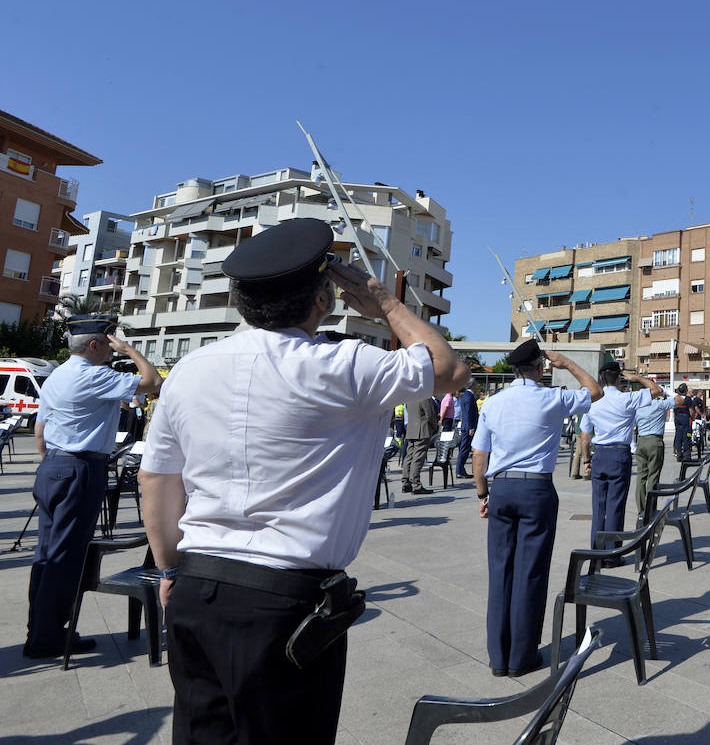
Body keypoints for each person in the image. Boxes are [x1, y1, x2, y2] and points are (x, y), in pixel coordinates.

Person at [139, 218, 467, 743]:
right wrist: (385, 303)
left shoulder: (193, 369)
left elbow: (155, 478)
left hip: (197, 588)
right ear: (322, 299)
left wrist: (169, 570)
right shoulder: (344, 364)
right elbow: (449, 370)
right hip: (283, 601)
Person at [24, 314, 160, 659]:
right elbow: (152, 381)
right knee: (67, 555)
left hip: (54, 465)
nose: (113, 351)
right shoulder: (93, 374)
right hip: (80, 467)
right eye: (110, 343)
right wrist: (131, 350)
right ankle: (49, 636)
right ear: (96, 345)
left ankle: (39, 628)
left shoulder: (57, 375)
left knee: (47, 552)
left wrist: (55, 463)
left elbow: (41, 431)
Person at [474, 340, 599, 676]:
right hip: (536, 488)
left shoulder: (493, 403)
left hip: (501, 487)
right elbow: (595, 391)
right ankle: (522, 656)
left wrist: (483, 495)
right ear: (541, 367)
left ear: (514, 369)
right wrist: (568, 364)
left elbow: (479, 455)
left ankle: (498, 658)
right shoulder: (552, 398)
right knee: (530, 573)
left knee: (500, 572)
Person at [578, 362, 664, 548]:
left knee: (598, 507)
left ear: (601, 379)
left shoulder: (592, 401)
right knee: (615, 505)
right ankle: (611, 553)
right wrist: (637, 378)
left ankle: (596, 549)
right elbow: (657, 390)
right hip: (619, 454)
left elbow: (585, 436)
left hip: (599, 454)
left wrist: (587, 460)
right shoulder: (627, 398)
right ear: (619, 378)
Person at [633, 387, 675, 513]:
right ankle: (650, 509)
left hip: (641, 440)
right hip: (655, 441)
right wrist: (665, 390)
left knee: (641, 477)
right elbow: (680, 400)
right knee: (653, 476)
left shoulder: (637, 407)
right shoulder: (659, 404)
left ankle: (641, 509)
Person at [402, 394, 440, 494]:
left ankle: (406, 482)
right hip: (422, 430)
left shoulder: (409, 397)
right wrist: (435, 426)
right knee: (418, 458)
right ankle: (416, 484)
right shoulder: (424, 396)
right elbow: (430, 414)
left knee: (409, 456)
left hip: (411, 430)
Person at [454, 382, 478, 479]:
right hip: (468, 427)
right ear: (472, 385)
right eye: (475, 384)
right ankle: (460, 470)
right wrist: (470, 427)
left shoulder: (466, 395)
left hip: (467, 426)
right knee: (464, 449)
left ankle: (461, 470)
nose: (477, 386)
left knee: (465, 449)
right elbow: (468, 413)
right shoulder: (469, 396)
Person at [672, 383, 692, 459]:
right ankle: (686, 455)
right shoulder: (687, 399)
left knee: (678, 435)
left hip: (677, 417)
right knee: (687, 436)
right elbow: (691, 411)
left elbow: (674, 409)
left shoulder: (676, 399)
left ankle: (679, 454)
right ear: (686, 390)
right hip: (686, 417)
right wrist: (692, 418)